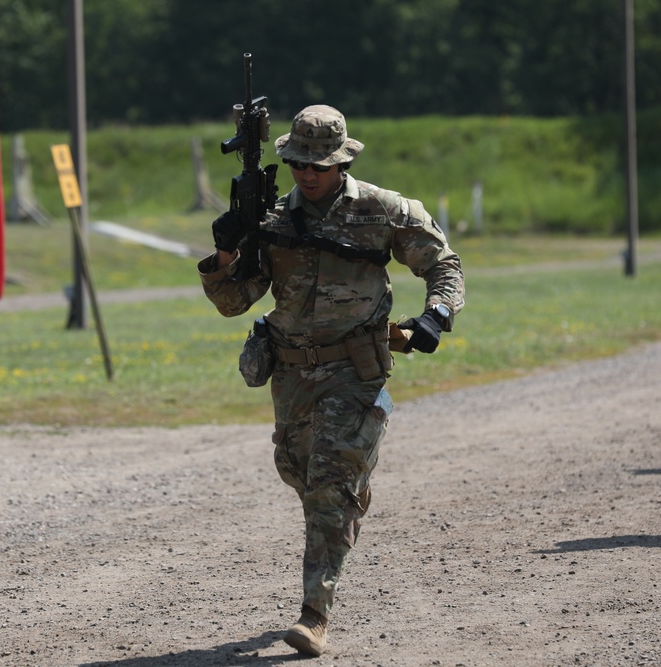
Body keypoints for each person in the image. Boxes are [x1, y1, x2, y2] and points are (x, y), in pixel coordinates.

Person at [197, 105, 464, 656]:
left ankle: (313, 615)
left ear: (341, 160)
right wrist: (226, 253)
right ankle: (345, 494)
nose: (309, 174)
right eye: (300, 163)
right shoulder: (270, 219)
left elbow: (444, 264)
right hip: (291, 372)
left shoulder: (382, 211)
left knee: (327, 486)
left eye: (321, 164)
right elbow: (233, 303)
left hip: (356, 371)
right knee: (297, 468)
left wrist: (436, 315)